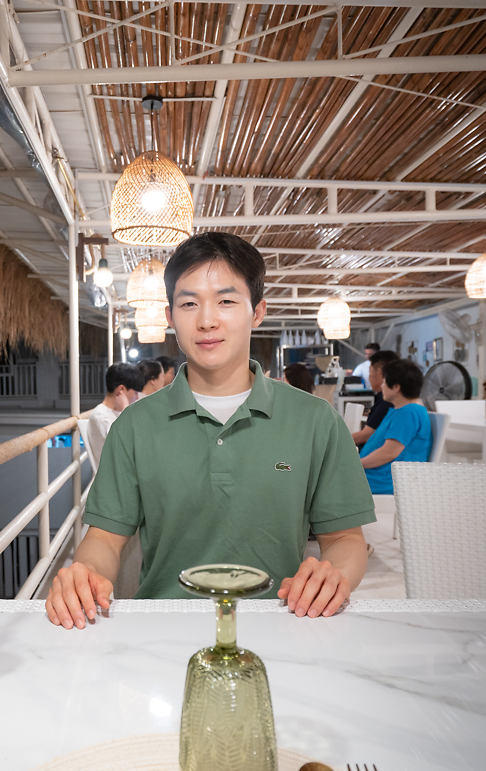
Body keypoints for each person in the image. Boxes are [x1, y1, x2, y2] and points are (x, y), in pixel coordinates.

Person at [46, 231, 375, 629]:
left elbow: (345, 540)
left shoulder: (316, 421)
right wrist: (86, 572)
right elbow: (105, 539)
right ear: (170, 317)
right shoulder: (134, 425)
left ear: (257, 312)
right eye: (189, 303)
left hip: (284, 624)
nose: (206, 320)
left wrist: (333, 574)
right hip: (162, 626)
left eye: (226, 300)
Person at [360, 359, 432, 494]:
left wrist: (355, 465)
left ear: (396, 387)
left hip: (384, 482)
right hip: (374, 477)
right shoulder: (401, 411)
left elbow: (388, 453)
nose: (382, 386)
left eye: (385, 382)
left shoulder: (409, 413)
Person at [87, 362, 144, 466]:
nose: (137, 398)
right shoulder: (100, 415)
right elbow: (125, 445)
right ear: (121, 390)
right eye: (135, 393)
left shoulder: (119, 413)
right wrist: (126, 409)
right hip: (117, 476)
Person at [351, 349, 399, 446]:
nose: (369, 377)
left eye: (370, 371)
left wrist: (333, 442)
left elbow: (366, 435)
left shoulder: (387, 402)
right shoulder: (383, 398)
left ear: (380, 373)